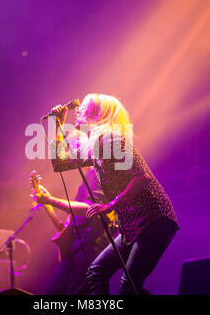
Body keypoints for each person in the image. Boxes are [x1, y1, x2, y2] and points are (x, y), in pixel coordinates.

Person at [48, 93, 179, 295]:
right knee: (96, 272)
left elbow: (142, 176)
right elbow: (60, 164)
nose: (78, 110)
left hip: (154, 219)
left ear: (96, 113)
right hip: (131, 224)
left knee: (129, 285)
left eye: (84, 106)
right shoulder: (95, 147)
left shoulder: (112, 139)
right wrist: (57, 127)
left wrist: (111, 204)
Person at [31, 166, 117, 295]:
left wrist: (49, 200)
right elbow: (64, 228)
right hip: (75, 250)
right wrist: (46, 201)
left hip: (89, 249)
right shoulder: (88, 175)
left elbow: (89, 208)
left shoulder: (97, 171)